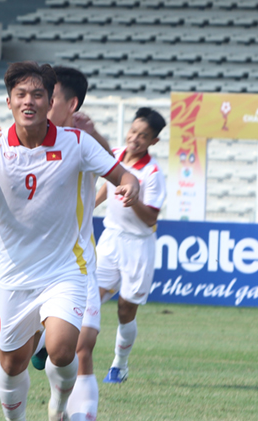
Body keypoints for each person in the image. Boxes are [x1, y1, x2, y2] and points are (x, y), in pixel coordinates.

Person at [0, 62, 139, 421]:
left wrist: (129, 184)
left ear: (51, 102)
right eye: (20, 95)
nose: (28, 101)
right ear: (9, 101)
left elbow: (121, 173)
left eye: (37, 95)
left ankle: (58, 407)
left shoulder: (76, 143)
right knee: (11, 363)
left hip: (66, 270)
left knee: (65, 349)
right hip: (15, 277)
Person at [30, 65, 113, 421]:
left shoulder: (81, 143)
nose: (40, 103)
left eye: (50, 96)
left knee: (84, 348)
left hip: (76, 268)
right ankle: (43, 346)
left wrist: (93, 133)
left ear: (71, 104)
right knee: (30, 354)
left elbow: (112, 164)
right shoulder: (24, 138)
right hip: (28, 271)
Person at [95, 108, 167, 384]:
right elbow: (107, 184)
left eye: (143, 136)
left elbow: (150, 218)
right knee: (90, 297)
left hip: (138, 246)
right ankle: (64, 353)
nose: (135, 138)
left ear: (153, 142)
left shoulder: (153, 173)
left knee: (126, 308)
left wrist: (132, 194)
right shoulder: (115, 154)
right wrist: (92, 204)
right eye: (133, 131)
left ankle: (119, 365)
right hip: (111, 239)